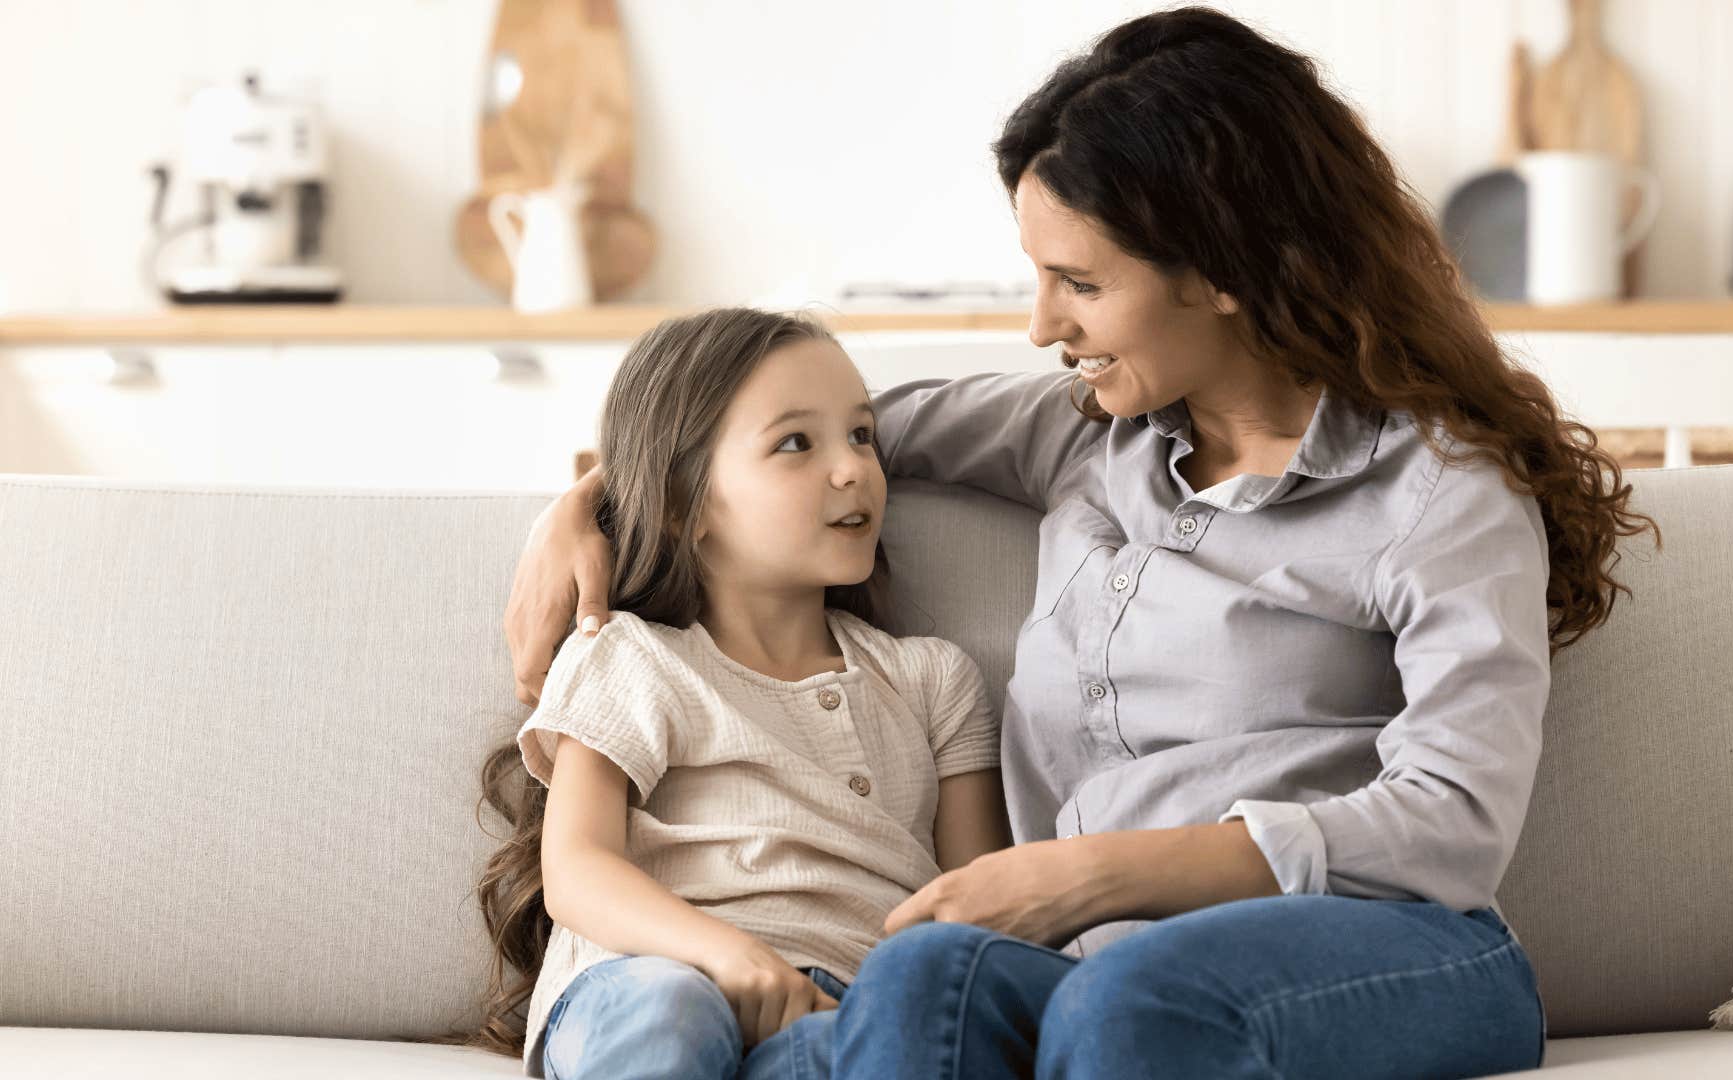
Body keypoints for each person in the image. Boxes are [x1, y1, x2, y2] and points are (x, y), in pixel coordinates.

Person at [503, 8, 1662, 1078]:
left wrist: (1090, 875)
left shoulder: (1441, 489)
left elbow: (1454, 825)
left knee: (1136, 998)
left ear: (1220, 269)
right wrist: (602, 496)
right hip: (1090, 962)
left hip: (1387, 947)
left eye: (1078, 282)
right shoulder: (1085, 433)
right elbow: (792, 441)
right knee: (918, 975)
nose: (1041, 325)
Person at [455, 307, 1014, 1079]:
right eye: (795, 443)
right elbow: (578, 871)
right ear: (684, 504)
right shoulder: (634, 656)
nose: (853, 469)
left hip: (837, 1013)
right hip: (648, 977)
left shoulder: (931, 679)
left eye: (861, 435)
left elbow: (980, 910)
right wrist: (729, 955)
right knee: (673, 1011)